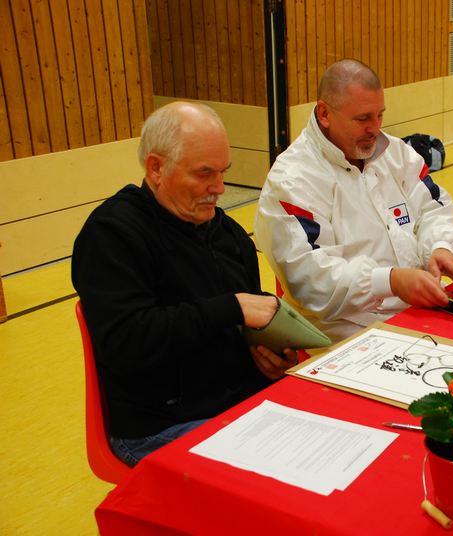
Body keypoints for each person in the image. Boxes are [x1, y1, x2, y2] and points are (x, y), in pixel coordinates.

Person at [72, 102, 297, 466]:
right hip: (162, 423)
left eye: (223, 172)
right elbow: (126, 342)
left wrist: (269, 356)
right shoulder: (112, 234)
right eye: (204, 173)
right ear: (156, 168)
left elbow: (246, 321)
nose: (219, 188)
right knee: (288, 470)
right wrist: (232, 308)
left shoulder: (226, 233)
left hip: (237, 400)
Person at [254, 59, 453, 342]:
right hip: (346, 330)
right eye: (363, 119)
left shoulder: (396, 154)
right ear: (324, 113)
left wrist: (441, 246)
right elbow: (309, 280)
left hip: (419, 311)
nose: (375, 128)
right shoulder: (293, 180)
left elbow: (434, 209)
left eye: (379, 115)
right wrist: (390, 281)